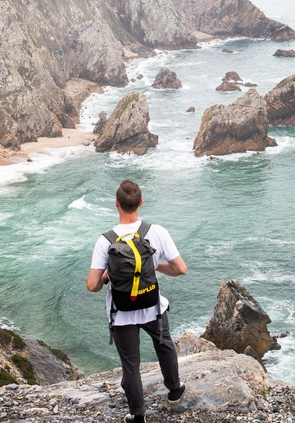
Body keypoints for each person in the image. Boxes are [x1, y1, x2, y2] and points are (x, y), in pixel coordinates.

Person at [86, 179, 188, 423]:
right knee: (164, 345)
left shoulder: (105, 240)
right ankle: (174, 390)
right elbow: (181, 269)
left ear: (116, 204)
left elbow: (92, 286)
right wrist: (155, 267)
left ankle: (138, 415)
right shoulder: (157, 232)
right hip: (153, 306)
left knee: (131, 364)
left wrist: (108, 274)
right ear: (140, 203)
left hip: (122, 312)